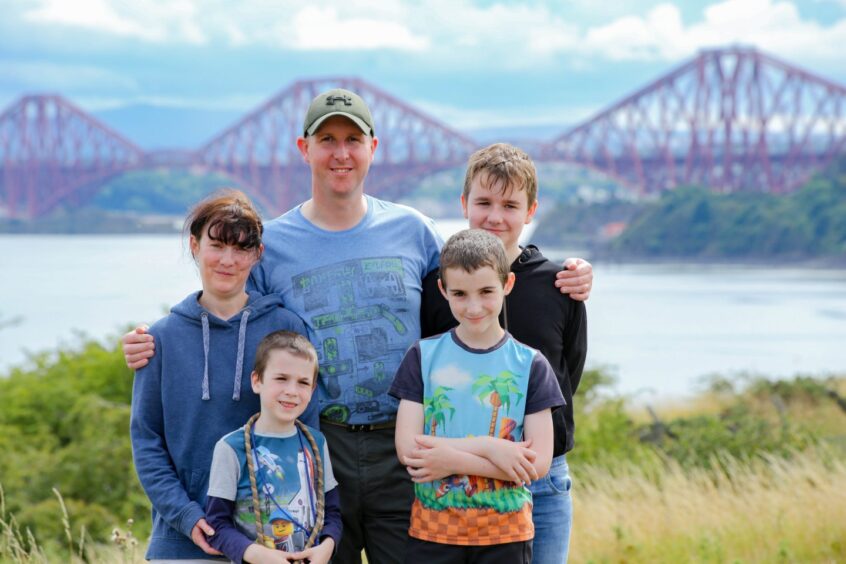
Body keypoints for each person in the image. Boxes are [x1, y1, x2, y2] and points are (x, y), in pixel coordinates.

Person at [122, 88, 594, 564]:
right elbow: (229, 310)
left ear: (374, 147)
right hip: (319, 447)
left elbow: (481, 273)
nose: (341, 152)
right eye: (327, 139)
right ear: (304, 148)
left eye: (354, 139)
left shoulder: (416, 230)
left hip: (406, 448)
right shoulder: (274, 244)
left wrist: (561, 271)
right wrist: (155, 340)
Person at [420, 143, 587, 562]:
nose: (495, 216)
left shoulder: (560, 286)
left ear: (531, 211)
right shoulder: (439, 288)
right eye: (484, 202)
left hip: (543, 483)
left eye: (510, 205)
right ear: (464, 204)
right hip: (456, 478)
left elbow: (568, 373)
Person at [129, 190, 316, 561]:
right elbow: (147, 440)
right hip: (181, 537)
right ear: (194, 245)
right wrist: (185, 515)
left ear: (258, 255)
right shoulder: (161, 339)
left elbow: (307, 434)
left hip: (271, 537)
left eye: (242, 249)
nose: (228, 261)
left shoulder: (286, 328)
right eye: (216, 245)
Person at [390, 229, 565, 563]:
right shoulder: (422, 357)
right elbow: (408, 450)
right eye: (460, 293)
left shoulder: (530, 364)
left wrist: (452, 459)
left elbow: (538, 464)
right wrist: (492, 448)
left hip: (507, 536)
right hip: (433, 534)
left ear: (507, 285)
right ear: (443, 290)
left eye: (486, 291)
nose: (474, 307)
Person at [205, 330, 341, 564]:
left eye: (303, 382)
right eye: (281, 379)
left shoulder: (316, 443)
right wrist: (257, 555)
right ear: (257, 381)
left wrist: (327, 547)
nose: (291, 391)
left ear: (312, 388)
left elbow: (333, 514)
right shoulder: (231, 448)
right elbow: (217, 525)